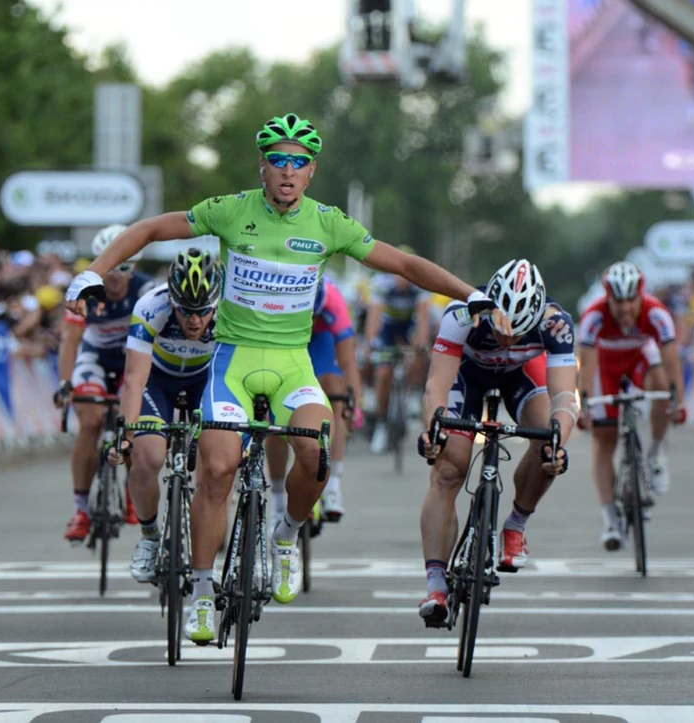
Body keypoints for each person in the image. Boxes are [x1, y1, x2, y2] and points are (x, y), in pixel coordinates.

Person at [63, 112, 509, 644]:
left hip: (292, 363)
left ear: (312, 171)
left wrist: (471, 294)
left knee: (317, 452)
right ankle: (202, 592)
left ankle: (286, 534)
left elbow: (403, 266)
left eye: (299, 162)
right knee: (218, 470)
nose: (288, 171)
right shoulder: (232, 211)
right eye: (279, 160)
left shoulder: (327, 222)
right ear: (263, 167)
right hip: (232, 360)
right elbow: (152, 228)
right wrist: (94, 269)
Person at [416, 259, 574, 626]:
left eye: (519, 333)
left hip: (521, 377)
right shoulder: (461, 314)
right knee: (448, 470)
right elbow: (437, 384)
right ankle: (436, 585)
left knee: (548, 443)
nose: (507, 339)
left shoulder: (556, 323)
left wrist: (558, 440)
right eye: (502, 329)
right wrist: (433, 430)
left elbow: (565, 395)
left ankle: (516, 524)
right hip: (466, 376)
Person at [109, 247, 220, 583]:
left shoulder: (232, 308)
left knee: (217, 467)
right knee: (147, 457)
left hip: (207, 380)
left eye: (203, 311)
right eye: (185, 311)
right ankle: (150, 538)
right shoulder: (150, 305)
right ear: (171, 299)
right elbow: (134, 379)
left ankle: (209, 556)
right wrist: (126, 435)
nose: (195, 321)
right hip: (157, 382)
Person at [55, 224, 155, 542]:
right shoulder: (86, 289)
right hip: (94, 358)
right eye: (110, 266)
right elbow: (70, 340)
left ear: (134, 267)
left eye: (124, 267)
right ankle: (81, 510)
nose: (115, 276)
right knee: (90, 422)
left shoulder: (145, 290)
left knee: (132, 422)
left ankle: (132, 491)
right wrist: (65, 382)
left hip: (131, 362)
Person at [577, 261, 686, 550]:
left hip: (641, 361)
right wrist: (584, 406)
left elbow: (672, 359)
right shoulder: (593, 317)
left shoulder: (657, 313)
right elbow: (585, 366)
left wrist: (678, 402)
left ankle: (656, 452)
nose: (624, 309)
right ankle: (611, 520)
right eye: (617, 301)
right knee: (603, 440)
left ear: (640, 296)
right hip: (607, 368)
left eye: (630, 300)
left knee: (662, 384)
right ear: (607, 298)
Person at [266, 276, 362, 522]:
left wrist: (355, 405)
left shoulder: (333, 303)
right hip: (285, 336)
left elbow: (348, 361)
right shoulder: (280, 299)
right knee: (272, 412)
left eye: (314, 316)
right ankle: (277, 500)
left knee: (335, 390)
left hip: (321, 342)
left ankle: (333, 487)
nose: (310, 321)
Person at [365, 254, 432, 454]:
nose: (403, 279)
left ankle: (411, 394)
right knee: (384, 374)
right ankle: (381, 424)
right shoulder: (382, 284)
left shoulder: (419, 286)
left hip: (407, 328)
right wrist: (371, 342)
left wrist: (420, 344)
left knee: (420, 352)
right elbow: (374, 318)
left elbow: (422, 320)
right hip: (388, 329)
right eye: (399, 275)